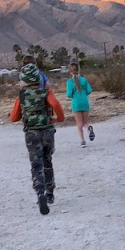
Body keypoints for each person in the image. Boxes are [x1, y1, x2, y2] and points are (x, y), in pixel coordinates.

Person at [10, 63, 65, 215]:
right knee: (47, 161)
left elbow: (13, 118)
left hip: (31, 134)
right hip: (47, 131)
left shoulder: (21, 96)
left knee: (36, 164)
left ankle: (40, 192)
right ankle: (50, 193)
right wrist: (59, 118)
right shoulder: (46, 93)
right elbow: (56, 104)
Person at [66, 62, 94, 147]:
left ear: (70, 71)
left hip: (76, 103)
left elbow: (69, 94)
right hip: (84, 101)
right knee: (85, 122)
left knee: (79, 124)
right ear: (78, 70)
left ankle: (82, 141)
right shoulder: (84, 80)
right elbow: (89, 90)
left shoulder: (70, 82)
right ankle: (88, 128)